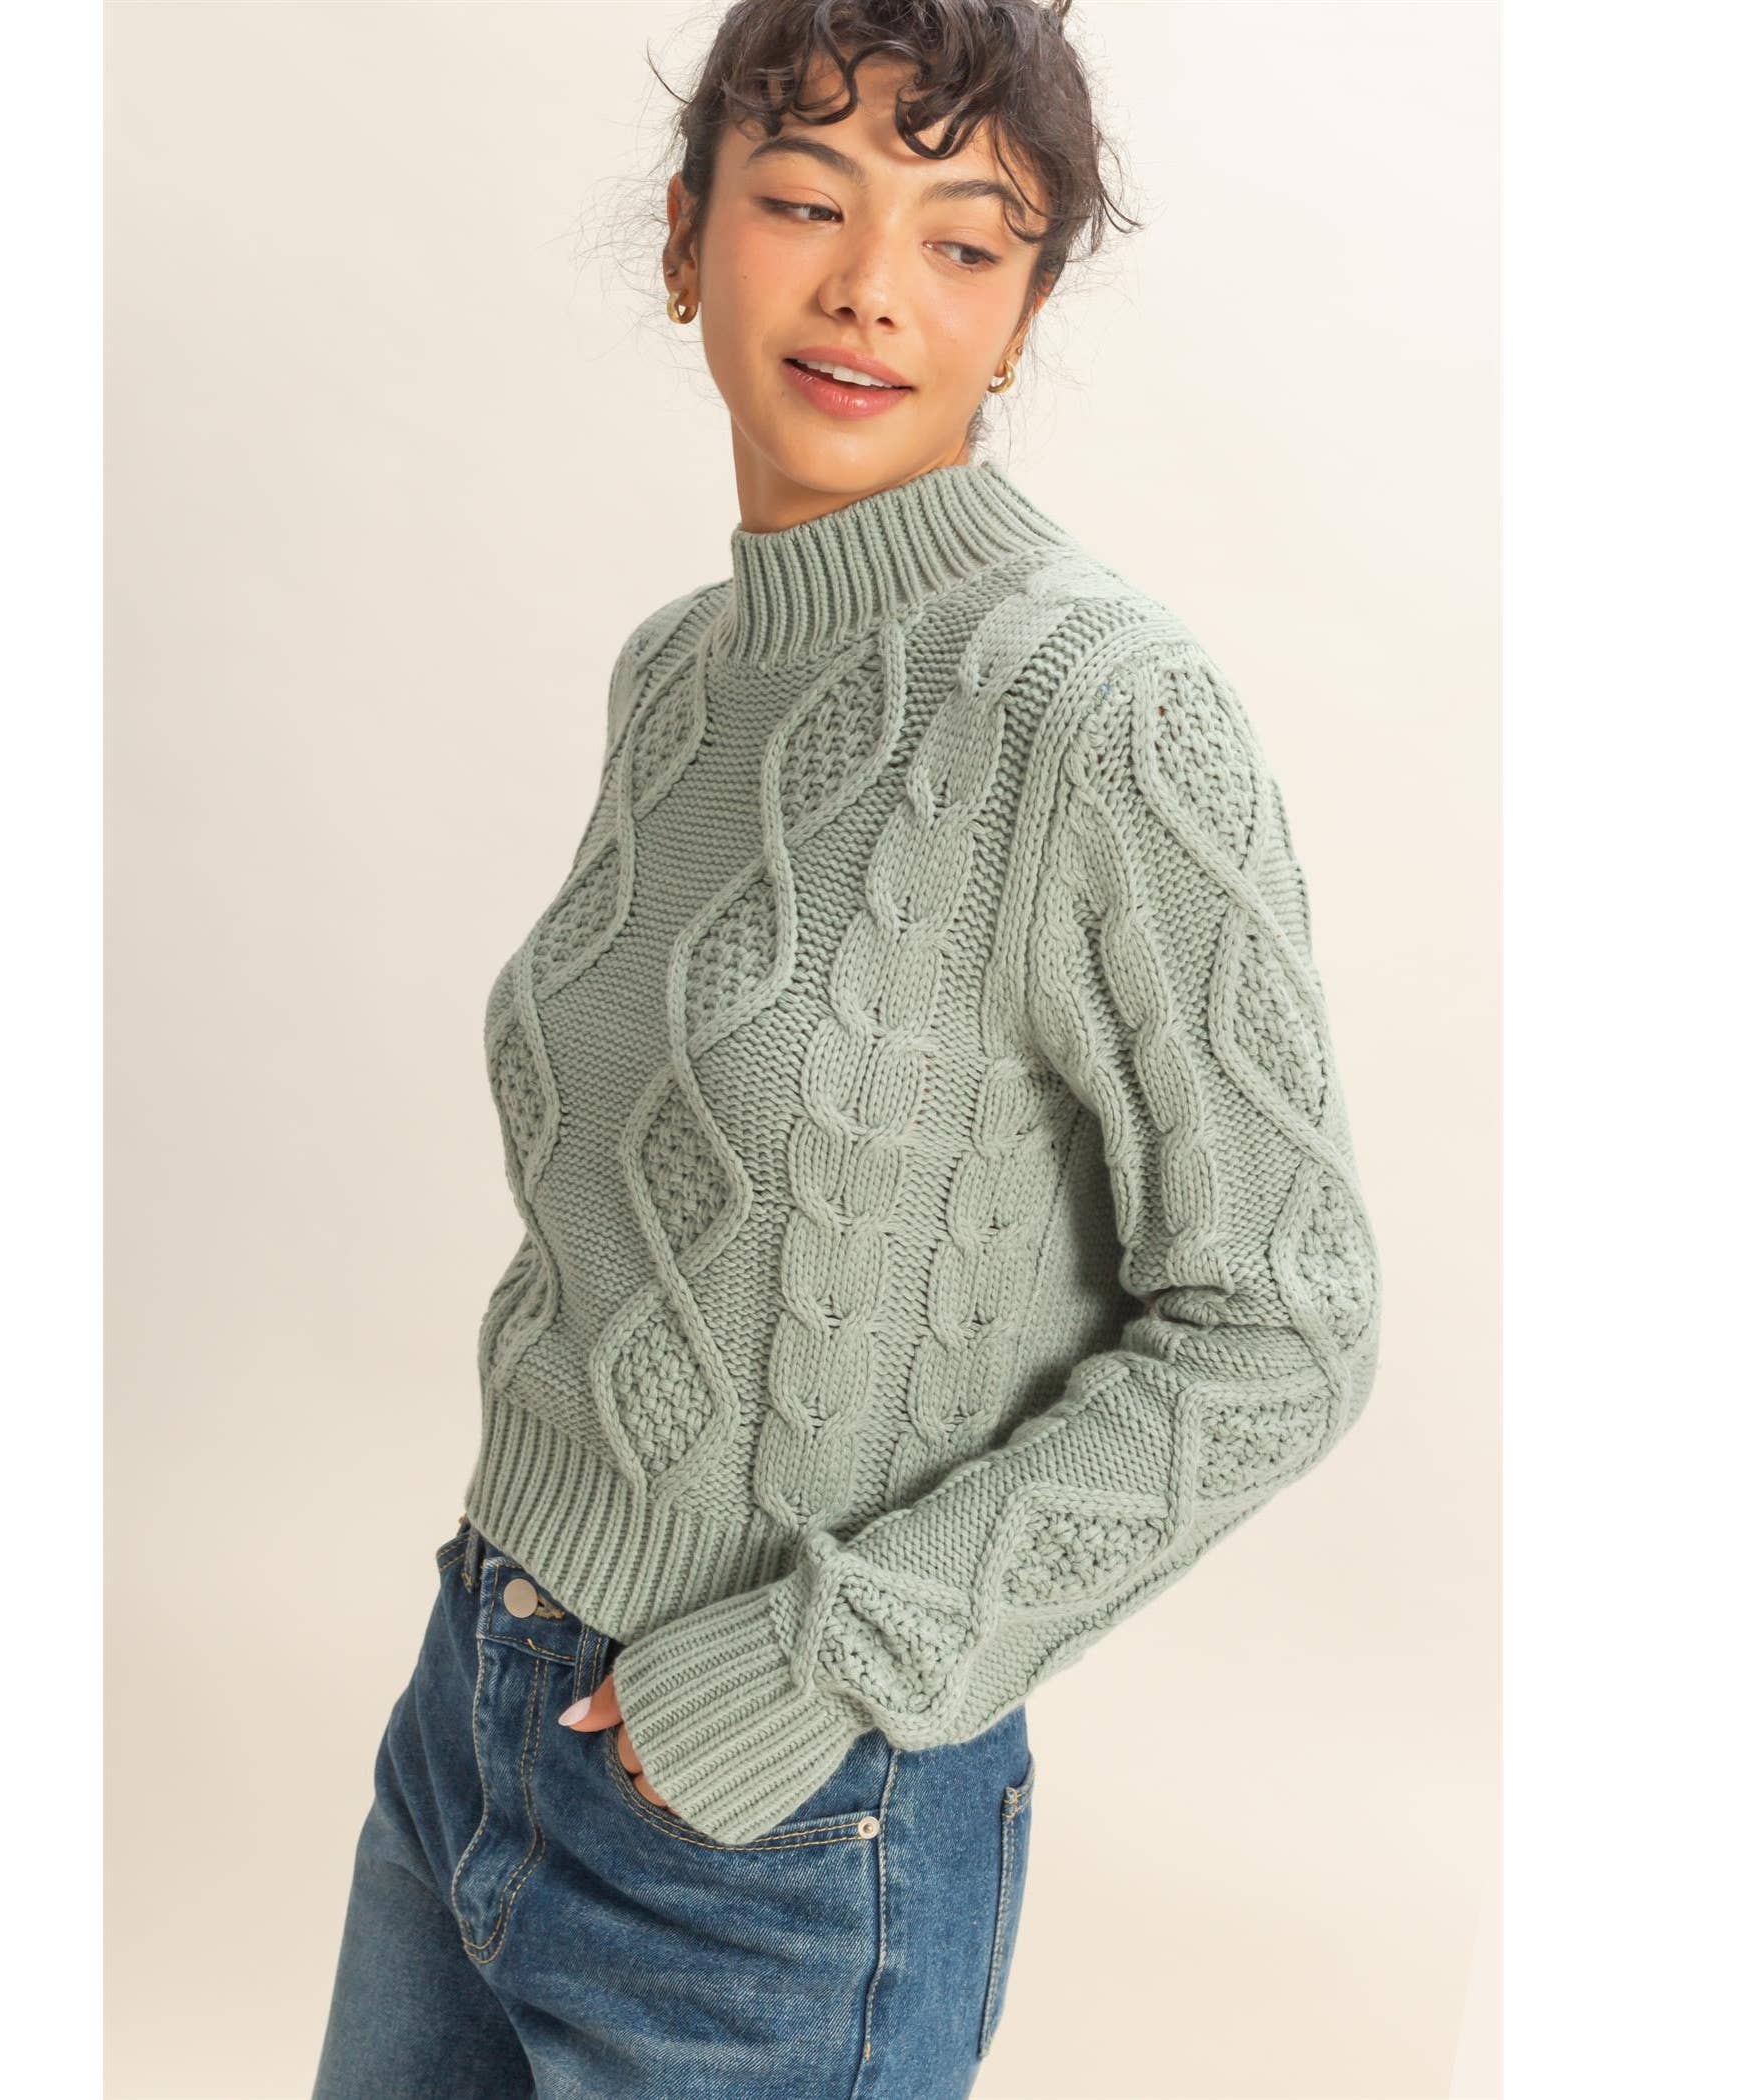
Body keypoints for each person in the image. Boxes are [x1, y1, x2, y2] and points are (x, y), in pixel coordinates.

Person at [311, 4, 1382, 2095]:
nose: (872, 288)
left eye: (963, 244)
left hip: (780, 1827)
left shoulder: (1099, 710)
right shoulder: (682, 672)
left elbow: (1288, 1320)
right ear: (687, 236)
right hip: (474, 1713)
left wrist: (826, 1659)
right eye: (806, 203)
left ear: (1022, 315)